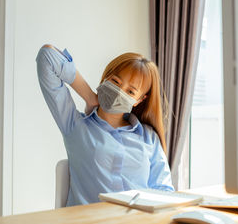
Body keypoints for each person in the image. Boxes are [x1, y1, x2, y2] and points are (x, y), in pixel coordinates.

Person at [35, 44, 174, 206]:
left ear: (139, 100)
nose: (119, 91)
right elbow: (47, 57)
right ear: (106, 78)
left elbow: (164, 190)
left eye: (130, 92)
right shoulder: (74, 125)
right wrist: (90, 97)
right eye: (115, 81)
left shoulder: (148, 137)